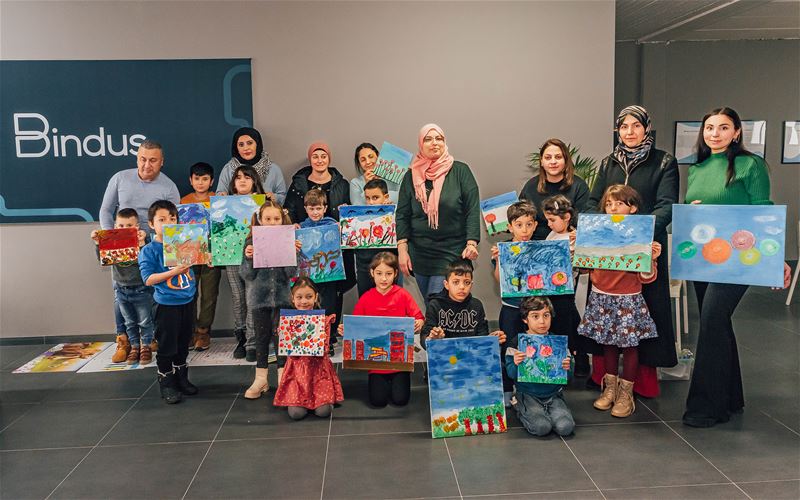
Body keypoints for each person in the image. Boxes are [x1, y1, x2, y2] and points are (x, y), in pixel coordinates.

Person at [682, 107, 791, 427]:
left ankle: (706, 407)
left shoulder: (751, 165)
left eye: (723, 127)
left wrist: (776, 258)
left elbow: (763, 212)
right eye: (709, 128)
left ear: (737, 133)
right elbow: (694, 210)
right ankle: (731, 397)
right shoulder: (698, 168)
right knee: (717, 324)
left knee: (713, 322)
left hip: (738, 259)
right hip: (704, 258)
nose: (714, 133)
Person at [585, 105, 679, 398]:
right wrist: (604, 230)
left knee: (646, 316)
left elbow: (666, 205)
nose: (630, 132)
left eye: (636, 126)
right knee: (605, 314)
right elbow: (592, 202)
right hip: (609, 253)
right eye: (624, 127)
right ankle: (605, 380)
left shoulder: (664, 161)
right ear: (618, 130)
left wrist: (638, 232)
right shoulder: (607, 162)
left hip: (645, 249)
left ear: (647, 128)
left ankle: (641, 384)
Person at [577, 185, 661, 418]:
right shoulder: (597, 235)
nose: (613, 208)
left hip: (627, 300)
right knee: (608, 345)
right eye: (609, 204)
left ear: (632, 208)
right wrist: (579, 248)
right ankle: (610, 389)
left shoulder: (640, 237)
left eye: (620, 203)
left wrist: (651, 259)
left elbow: (648, 277)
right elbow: (583, 268)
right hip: (601, 297)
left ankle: (626, 394)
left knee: (630, 346)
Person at [99, 140, 179, 359]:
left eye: (152, 160)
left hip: (152, 247)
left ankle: (148, 339)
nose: (146, 165)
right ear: (137, 158)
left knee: (151, 295)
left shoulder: (169, 187)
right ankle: (123, 340)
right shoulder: (120, 178)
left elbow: (174, 223)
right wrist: (113, 238)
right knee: (120, 294)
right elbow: (105, 211)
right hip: (121, 248)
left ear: (162, 162)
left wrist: (151, 238)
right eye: (143, 159)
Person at [396, 124, 481, 304]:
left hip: (452, 251)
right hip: (420, 253)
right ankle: (437, 332)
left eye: (439, 138)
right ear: (421, 143)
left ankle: (438, 332)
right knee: (432, 306)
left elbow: (472, 210)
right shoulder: (411, 176)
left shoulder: (460, 171)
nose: (434, 143)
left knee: (437, 302)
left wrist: (472, 242)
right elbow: (402, 214)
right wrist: (402, 250)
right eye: (428, 139)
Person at [284, 142, 355, 334]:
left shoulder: (342, 183)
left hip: (333, 254)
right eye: (315, 156)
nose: (320, 160)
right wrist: (293, 225)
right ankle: (310, 334)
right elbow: (289, 209)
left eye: (323, 156)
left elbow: (350, 211)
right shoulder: (298, 183)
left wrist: (344, 215)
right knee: (306, 293)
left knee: (332, 293)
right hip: (306, 255)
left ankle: (328, 336)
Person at [341, 252, 424, 407]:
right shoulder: (366, 298)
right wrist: (347, 330)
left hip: (399, 362)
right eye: (379, 273)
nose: (384, 278)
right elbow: (357, 325)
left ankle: (397, 381)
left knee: (400, 400)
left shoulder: (403, 295)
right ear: (372, 273)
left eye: (388, 274)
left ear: (395, 274)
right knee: (378, 401)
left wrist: (419, 322)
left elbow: (418, 316)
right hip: (376, 364)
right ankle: (384, 382)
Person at [138, 200, 198, 404]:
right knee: (167, 345)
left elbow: (197, 260)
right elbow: (148, 279)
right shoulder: (149, 250)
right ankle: (166, 381)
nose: (168, 223)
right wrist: (173, 271)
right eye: (162, 220)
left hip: (187, 301)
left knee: (183, 343)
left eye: (172, 219)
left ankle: (182, 377)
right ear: (151, 224)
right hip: (166, 305)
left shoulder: (184, 243)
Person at [240, 200, 297, 399]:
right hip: (259, 298)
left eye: (276, 219)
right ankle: (261, 378)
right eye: (268, 219)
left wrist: (292, 253)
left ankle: (284, 377)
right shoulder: (251, 242)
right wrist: (249, 257)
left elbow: (292, 273)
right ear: (260, 221)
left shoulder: (287, 240)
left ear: (282, 220)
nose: (272, 223)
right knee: (261, 337)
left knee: (282, 338)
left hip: (282, 298)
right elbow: (246, 275)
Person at [273, 277, 344, 420]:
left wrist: (321, 337)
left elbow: (324, 350)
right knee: (296, 414)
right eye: (299, 297)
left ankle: (322, 400)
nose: (304, 301)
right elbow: (286, 349)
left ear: (316, 297)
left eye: (309, 296)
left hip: (318, 371)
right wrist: (284, 337)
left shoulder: (323, 320)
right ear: (292, 298)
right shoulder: (288, 321)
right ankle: (301, 400)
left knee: (323, 412)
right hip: (297, 372)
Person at [490, 201, 538, 404]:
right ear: (510, 227)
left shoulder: (540, 248)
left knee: (533, 347)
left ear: (535, 225)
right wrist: (500, 261)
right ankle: (507, 388)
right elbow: (499, 280)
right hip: (511, 307)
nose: (524, 230)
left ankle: (530, 387)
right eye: (519, 225)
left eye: (528, 224)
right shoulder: (505, 249)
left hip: (535, 309)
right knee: (508, 347)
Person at [505, 297, 574, 437]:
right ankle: (519, 405)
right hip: (527, 394)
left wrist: (568, 367)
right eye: (535, 316)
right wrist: (516, 363)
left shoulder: (557, 344)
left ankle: (548, 411)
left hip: (553, 395)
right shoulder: (517, 344)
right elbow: (510, 373)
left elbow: (568, 376)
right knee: (542, 427)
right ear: (525, 319)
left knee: (565, 427)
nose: (542, 321)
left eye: (546, 315)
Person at [90, 208, 152, 364]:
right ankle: (135, 347)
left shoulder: (141, 241)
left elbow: (147, 262)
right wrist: (98, 243)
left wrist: (142, 243)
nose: (124, 229)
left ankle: (146, 347)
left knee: (145, 321)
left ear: (137, 226)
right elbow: (102, 259)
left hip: (141, 288)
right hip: (121, 289)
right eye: (121, 226)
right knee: (129, 322)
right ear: (115, 226)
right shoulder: (113, 242)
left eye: (129, 226)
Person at [224, 166, 266, 360]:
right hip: (230, 257)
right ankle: (240, 338)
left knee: (252, 298)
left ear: (254, 181)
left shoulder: (264, 205)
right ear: (233, 183)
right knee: (238, 298)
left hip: (254, 257)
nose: (242, 180)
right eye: (238, 177)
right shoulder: (223, 205)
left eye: (247, 177)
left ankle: (252, 342)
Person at [180, 162, 221, 351]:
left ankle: (203, 331)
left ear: (211, 181)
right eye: (197, 179)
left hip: (213, 254)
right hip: (190, 254)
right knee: (190, 293)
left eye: (205, 179)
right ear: (190, 180)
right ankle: (189, 332)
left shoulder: (218, 200)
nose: (201, 183)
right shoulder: (184, 201)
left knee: (209, 294)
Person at [421, 259, 506, 348]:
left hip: (470, 357)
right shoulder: (435, 305)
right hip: (445, 356)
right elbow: (424, 339)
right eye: (456, 282)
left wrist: (490, 339)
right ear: (446, 285)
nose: (462, 287)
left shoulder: (477, 306)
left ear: (471, 285)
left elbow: (481, 337)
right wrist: (432, 338)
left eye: (467, 282)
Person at [520, 138, 590, 241]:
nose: (553, 162)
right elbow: (520, 217)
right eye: (548, 158)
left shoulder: (579, 186)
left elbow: (586, 222)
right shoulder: (530, 186)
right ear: (541, 162)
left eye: (558, 157)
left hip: (569, 244)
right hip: (536, 244)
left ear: (566, 161)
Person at [296, 189, 341, 345]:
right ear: (305, 208)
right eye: (311, 208)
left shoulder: (332, 224)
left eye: (318, 208)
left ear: (325, 208)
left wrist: (340, 230)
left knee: (328, 305)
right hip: (309, 277)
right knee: (311, 304)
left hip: (329, 275)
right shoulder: (301, 227)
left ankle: (327, 339)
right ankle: (314, 338)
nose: (315, 212)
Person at [354, 178, 401, 296]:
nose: (371, 202)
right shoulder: (358, 219)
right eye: (367, 198)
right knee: (366, 301)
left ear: (386, 197)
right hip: (364, 267)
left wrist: (391, 214)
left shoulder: (394, 214)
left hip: (387, 266)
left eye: (375, 198)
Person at [215, 127, 286, 203]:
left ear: (257, 144)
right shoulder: (229, 169)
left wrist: (274, 197)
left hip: (266, 212)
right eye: (241, 145)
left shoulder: (272, 168)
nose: (246, 148)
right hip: (236, 212)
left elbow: (282, 195)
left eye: (250, 143)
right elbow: (220, 193)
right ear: (236, 148)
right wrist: (221, 195)